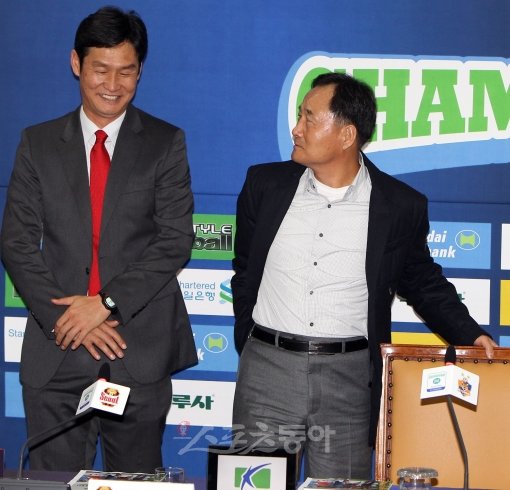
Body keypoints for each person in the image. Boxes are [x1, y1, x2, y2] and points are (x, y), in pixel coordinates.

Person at [230, 72, 497, 479]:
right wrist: (249, 339)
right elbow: (245, 268)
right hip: (267, 372)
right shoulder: (264, 185)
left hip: (350, 381)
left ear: (346, 134)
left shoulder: (399, 205)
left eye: (308, 118)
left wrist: (469, 334)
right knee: (255, 483)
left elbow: (421, 280)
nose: (296, 129)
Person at [0, 6, 196, 473]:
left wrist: (105, 304)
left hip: (136, 351)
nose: (113, 84)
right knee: (53, 482)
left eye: (126, 71)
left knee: (135, 482)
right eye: (100, 69)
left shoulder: (165, 142)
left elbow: (174, 240)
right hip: (58, 350)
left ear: (140, 71)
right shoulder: (38, 143)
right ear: (76, 64)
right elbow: (17, 242)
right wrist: (69, 319)